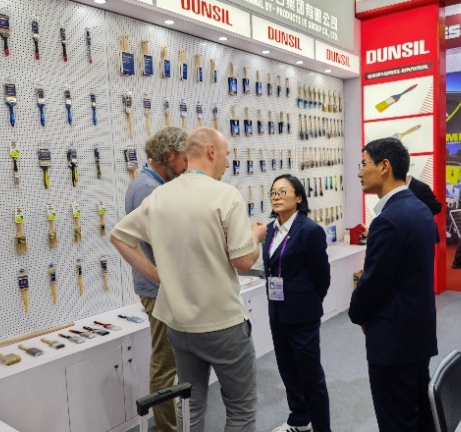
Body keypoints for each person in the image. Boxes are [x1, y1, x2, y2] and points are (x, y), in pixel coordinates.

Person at [110, 127, 267, 432]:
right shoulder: (225, 195)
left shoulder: (160, 196)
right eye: (226, 154)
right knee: (241, 410)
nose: (227, 162)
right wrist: (256, 236)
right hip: (222, 323)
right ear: (211, 151)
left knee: (189, 406)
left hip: (179, 325)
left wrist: (159, 277)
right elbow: (244, 261)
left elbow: (119, 236)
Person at [348, 137, 437, 432]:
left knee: (396, 421)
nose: (359, 172)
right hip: (416, 333)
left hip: (394, 341)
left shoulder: (389, 220)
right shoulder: (418, 208)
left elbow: (374, 282)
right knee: (418, 415)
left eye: (364, 164)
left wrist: (357, 313)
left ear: (384, 166)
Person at [124, 126, 188, 432]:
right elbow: (165, 242)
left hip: (158, 287)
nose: (187, 167)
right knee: (164, 364)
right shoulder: (149, 190)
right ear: (170, 155)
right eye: (184, 159)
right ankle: (167, 429)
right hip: (157, 289)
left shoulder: (149, 184)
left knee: (168, 362)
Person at [263, 174, 331, 432]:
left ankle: (323, 428)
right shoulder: (270, 229)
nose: (276, 197)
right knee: (288, 370)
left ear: (299, 197)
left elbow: (322, 276)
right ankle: (299, 420)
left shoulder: (310, 230)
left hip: (302, 314)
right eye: (273, 192)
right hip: (277, 311)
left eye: (283, 192)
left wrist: (311, 301)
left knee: (310, 375)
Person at [407, 174, 441, 242]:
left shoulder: (420, 187)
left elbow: (436, 207)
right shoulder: (398, 189)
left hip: (423, 233)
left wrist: (416, 214)